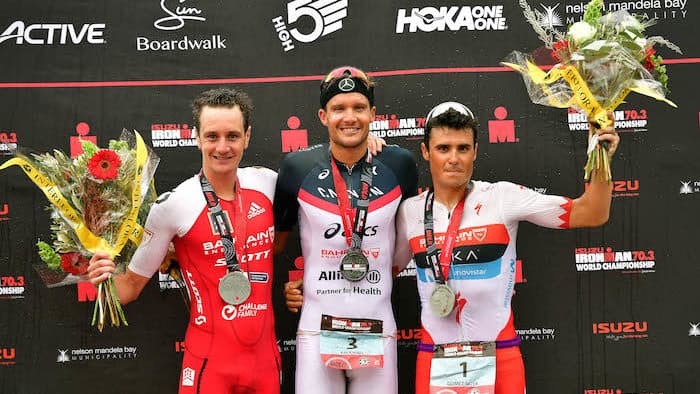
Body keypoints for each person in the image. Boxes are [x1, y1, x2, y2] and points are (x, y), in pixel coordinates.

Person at [393, 101, 619, 394]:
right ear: (426, 152)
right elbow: (383, 273)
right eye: (443, 148)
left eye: (463, 148)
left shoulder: (502, 197)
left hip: (501, 357)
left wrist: (601, 156)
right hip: (435, 359)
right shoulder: (409, 212)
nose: (454, 158)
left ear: (475, 151)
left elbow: (592, 213)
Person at [87, 88, 281, 394]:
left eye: (232, 135)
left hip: (266, 362)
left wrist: (369, 145)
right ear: (196, 137)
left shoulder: (268, 183)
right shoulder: (173, 205)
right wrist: (101, 278)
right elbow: (128, 289)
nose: (222, 147)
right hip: (209, 365)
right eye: (212, 136)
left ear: (247, 136)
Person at [273, 66, 418, 393]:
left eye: (358, 108)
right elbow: (273, 245)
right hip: (316, 328)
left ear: (373, 114)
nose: (349, 117)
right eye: (339, 109)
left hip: (377, 326)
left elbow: (415, 237)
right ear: (323, 116)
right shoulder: (297, 167)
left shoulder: (400, 165)